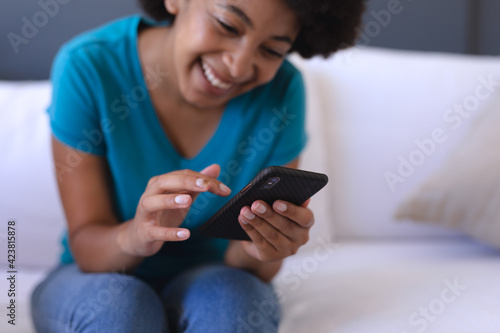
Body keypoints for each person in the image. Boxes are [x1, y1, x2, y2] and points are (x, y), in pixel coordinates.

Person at [30, 0, 365, 332]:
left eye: (271, 51)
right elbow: (86, 245)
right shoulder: (89, 65)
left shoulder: (283, 92)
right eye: (228, 25)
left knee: (230, 304)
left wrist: (262, 248)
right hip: (98, 275)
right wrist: (135, 235)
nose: (238, 65)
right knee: (121, 310)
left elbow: (249, 269)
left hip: (215, 277)